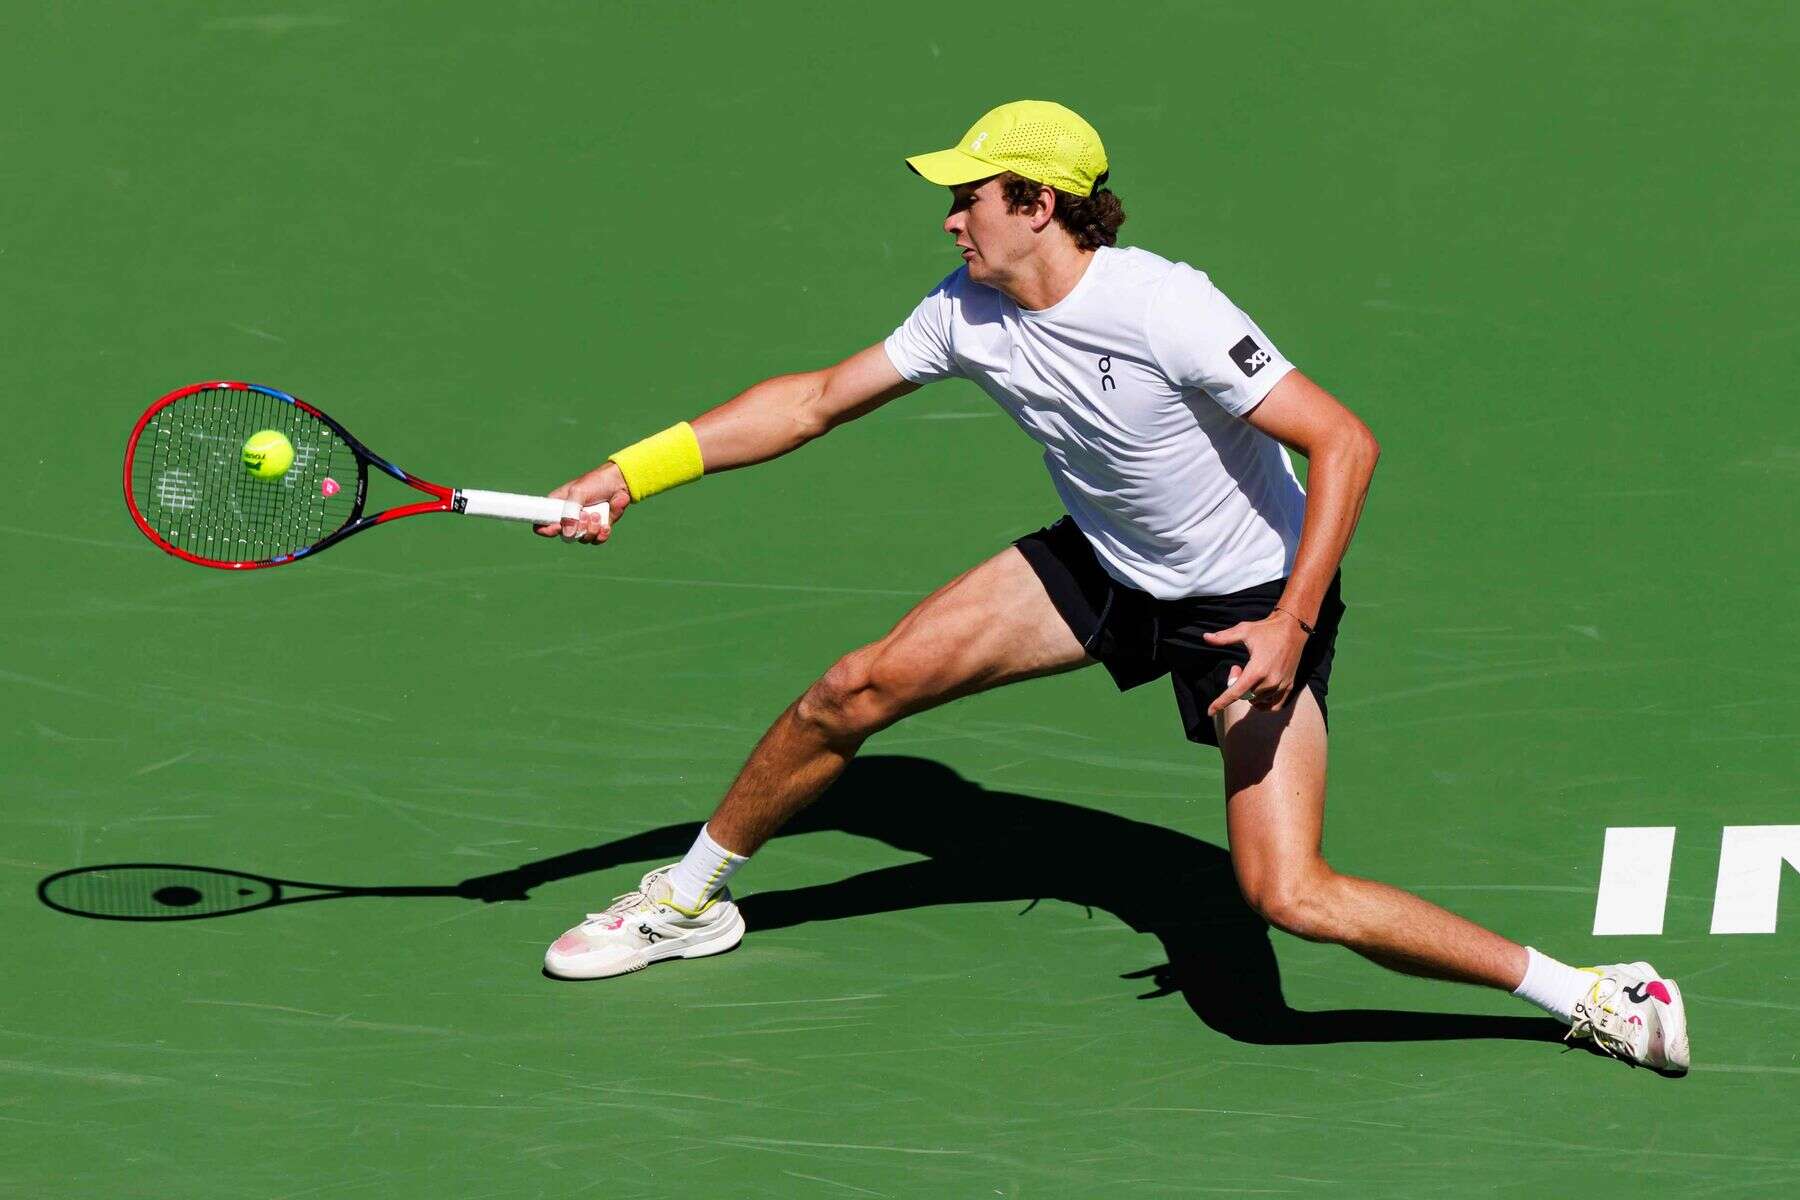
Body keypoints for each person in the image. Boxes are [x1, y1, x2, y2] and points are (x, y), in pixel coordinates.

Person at [531, 101, 1689, 1074]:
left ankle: (1590, 990)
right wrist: (633, 473)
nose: (950, 216)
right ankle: (685, 902)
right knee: (853, 689)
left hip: (1246, 606)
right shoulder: (965, 310)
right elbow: (815, 400)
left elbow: (1345, 443)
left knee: (1290, 895)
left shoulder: (1163, 308)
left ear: (1036, 203)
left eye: (970, 196)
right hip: (1105, 564)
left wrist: (1290, 624)